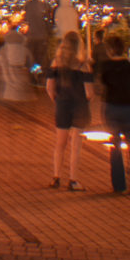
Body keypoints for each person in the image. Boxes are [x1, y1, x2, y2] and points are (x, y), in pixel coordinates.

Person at [97, 31, 130, 194]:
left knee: (115, 146)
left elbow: (103, 82)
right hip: (128, 107)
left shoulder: (106, 66)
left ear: (110, 50)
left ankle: (119, 186)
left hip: (111, 107)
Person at [45, 32, 92, 190]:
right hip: (79, 107)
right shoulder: (83, 65)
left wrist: (58, 100)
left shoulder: (56, 63)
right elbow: (89, 93)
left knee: (60, 143)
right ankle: (73, 180)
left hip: (62, 105)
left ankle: (56, 177)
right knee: (75, 145)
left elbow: (49, 88)